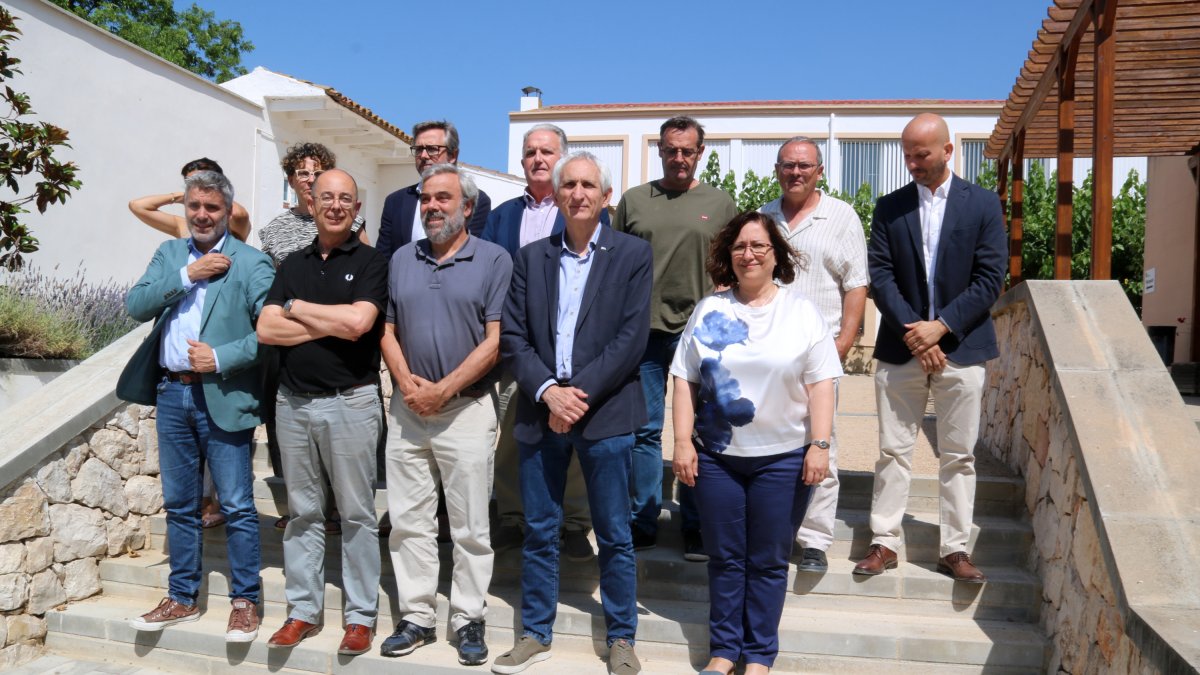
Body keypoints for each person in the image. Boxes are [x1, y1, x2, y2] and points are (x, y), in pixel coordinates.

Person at [494, 152, 650, 675]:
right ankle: (536, 632)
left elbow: (631, 339)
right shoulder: (530, 258)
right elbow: (513, 338)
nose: (578, 193)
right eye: (569, 185)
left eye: (589, 185)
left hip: (604, 412)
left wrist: (574, 395)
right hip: (542, 411)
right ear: (556, 195)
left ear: (606, 196)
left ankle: (622, 637)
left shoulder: (632, 254)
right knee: (540, 528)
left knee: (613, 532)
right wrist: (547, 393)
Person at [670, 211, 839, 675]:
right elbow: (683, 378)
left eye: (759, 246)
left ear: (776, 255)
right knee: (725, 558)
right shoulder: (710, 309)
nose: (748, 254)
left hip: (782, 459)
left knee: (766, 562)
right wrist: (682, 441)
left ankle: (760, 655)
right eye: (740, 246)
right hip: (717, 459)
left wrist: (819, 445)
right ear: (729, 254)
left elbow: (822, 381)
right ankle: (724, 652)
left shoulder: (802, 312)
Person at [121, 170, 274, 643]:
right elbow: (136, 305)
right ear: (185, 209)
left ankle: (245, 600)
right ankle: (182, 597)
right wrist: (190, 273)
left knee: (236, 504)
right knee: (181, 503)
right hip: (171, 394)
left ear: (228, 212)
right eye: (194, 207)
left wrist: (221, 357)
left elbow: (269, 335)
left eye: (212, 208)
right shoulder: (170, 254)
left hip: (223, 395)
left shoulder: (252, 262)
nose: (202, 215)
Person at [854, 113, 1006, 583]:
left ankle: (955, 549)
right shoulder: (888, 207)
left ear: (947, 150)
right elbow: (880, 275)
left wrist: (940, 327)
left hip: (962, 348)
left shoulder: (982, 204)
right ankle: (884, 542)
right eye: (907, 154)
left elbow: (990, 278)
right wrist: (915, 333)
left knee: (959, 455)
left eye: (921, 154)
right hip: (902, 349)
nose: (913, 163)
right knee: (893, 451)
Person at [378, 164, 512, 666]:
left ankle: (468, 617)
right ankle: (416, 616)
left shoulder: (494, 259)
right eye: (426, 199)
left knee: (471, 524)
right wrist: (407, 383)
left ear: (468, 208)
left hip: (467, 409)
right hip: (409, 409)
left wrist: (444, 389)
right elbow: (387, 330)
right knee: (409, 522)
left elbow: (495, 340)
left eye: (443, 198)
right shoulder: (401, 259)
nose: (432, 206)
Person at [256, 169, 389, 655]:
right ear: (310, 204)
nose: (335, 205)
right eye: (326, 197)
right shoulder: (292, 263)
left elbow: (359, 323)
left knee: (356, 514)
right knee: (304, 514)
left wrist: (296, 309)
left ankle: (359, 617)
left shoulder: (373, 262)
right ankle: (303, 612)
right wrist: (324, 320)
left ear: (357, 208)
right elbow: (268, 330)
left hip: (351, 403)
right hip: (293, 404)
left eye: (345, 199)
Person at [614, 115, 736, 559]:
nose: (679, 157)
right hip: (643, 333)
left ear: (700, 152)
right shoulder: (634, 201)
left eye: (687, 150)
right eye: (671, 149)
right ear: (660, 151)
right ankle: (643, 520)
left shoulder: (721, 204)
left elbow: (734, 263)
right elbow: (613, 266)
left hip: (700, 335)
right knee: (645, 431)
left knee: (703, 431)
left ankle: (696, 526)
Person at [481, 123, 602, 561]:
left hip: (574, 346)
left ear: (562, 158)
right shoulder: (502, 215)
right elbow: (492, 276)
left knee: (574, 432)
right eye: (530, 152)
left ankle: (572, 524)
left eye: (547, 152)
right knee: (516, 434)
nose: (538, 159)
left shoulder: (583, 206)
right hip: (518, 346)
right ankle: (512, 517)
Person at [758, 136, 868, 573]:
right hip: (768, 353)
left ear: (819, 170)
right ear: (778, 169)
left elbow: (856, 283)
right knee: (772, 440)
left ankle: (815, 538)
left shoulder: (840, 216)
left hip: (818, 352)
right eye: (788, 165)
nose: (796, 173)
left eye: (804, 166)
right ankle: (776, 532)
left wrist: (842, 343)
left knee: (822, 442)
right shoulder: (763, 217)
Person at [256, 142, 368, 532]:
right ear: (291, 180)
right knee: (284, 426)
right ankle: (299, 504)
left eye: (315, 171)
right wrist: (315, 318)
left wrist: (298, 308)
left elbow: (360, 294)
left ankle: (335, 507)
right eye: (301, 172)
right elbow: (271, 301)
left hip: (337, 354)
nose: (308, 177)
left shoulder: (351, 225)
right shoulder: (272, 230)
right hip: (289, 347)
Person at [377, 120, 492, 262]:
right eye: (419, 149)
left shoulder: (475, 199)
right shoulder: (396, 201)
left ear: (453, 155)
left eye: (432, 149)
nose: (424, 156)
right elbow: (383, 258)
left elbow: (472, 254)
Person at [128, 157, 252, 242]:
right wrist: (180, 197)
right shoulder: (183, 226)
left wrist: (217, 195)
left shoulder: (232, 224)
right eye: (189, 182)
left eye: (202, 179)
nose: (196, 185)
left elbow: (238, 214)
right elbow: (137, 206)